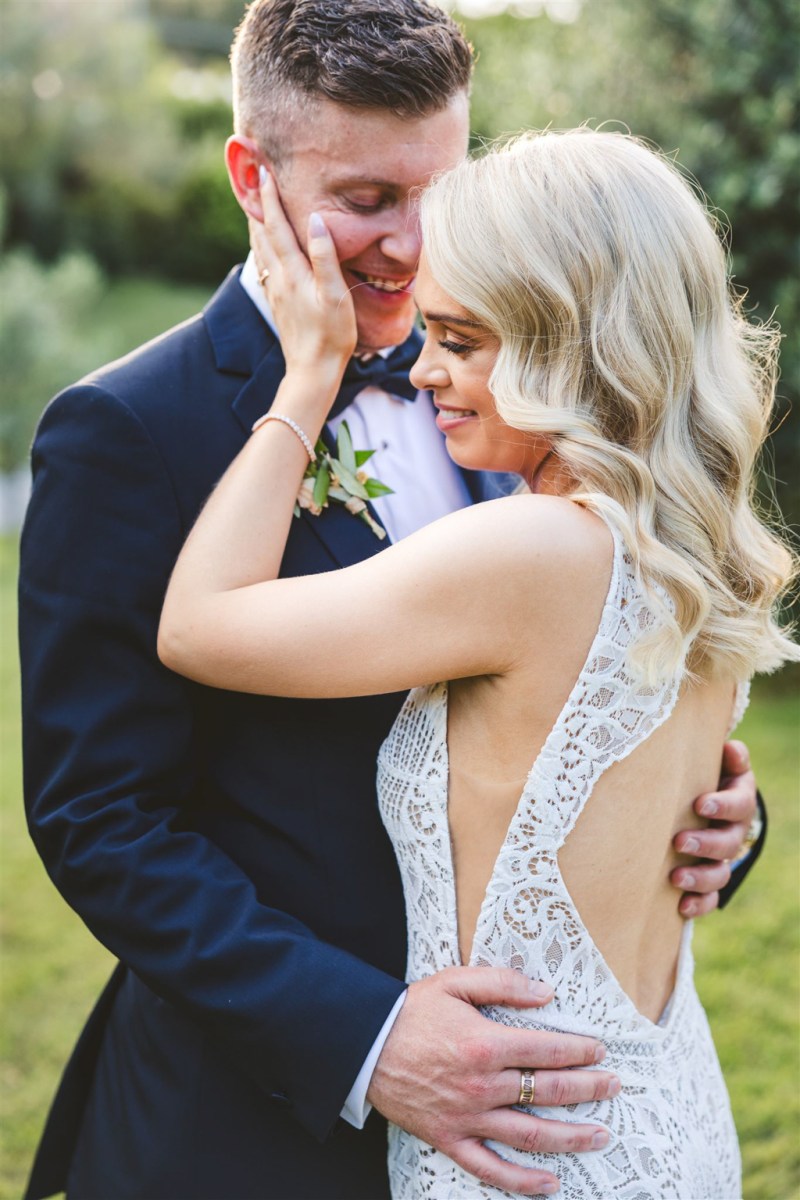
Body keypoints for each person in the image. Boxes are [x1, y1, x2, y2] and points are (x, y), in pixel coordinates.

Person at [19, 4, 763, 1199]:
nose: (415, 248)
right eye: (368, 199)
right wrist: (368, 1040)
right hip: (254, 1124)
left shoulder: (521, 391)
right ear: (251, 178)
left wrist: (710, 815)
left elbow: (574, 706)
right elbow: (102, 819)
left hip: (535, 1114)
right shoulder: (126, 432)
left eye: (443, 189)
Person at [158, 128, 797, 1198]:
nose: (421, 367)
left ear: (573, 341)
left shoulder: (531, 549)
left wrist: (307, 376)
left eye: (460, 338)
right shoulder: (699, 549)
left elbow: (199, 626)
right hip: (661, 1115)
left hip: (527, 1150)